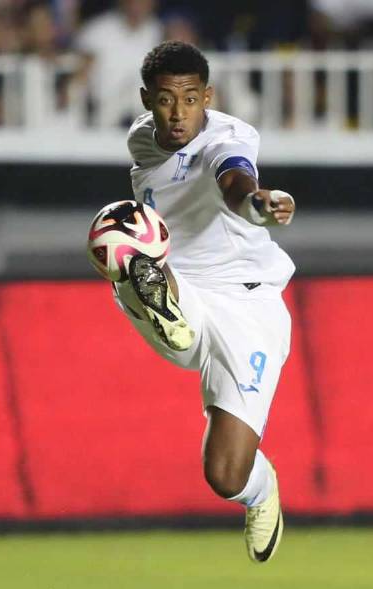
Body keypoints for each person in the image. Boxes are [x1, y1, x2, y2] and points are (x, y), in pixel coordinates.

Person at [111, 41, 296, 562]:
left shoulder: (229, 139)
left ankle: (262, 491)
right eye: (167, 99)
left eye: (190, 100)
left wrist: (257, 205)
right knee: (118, 232)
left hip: (247, 305)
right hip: (181, 289)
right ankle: (167, 311)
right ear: (147, 99)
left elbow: (234, 178)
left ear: (207, 97)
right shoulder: (142, 141)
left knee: (224, 475)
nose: (178, 113)